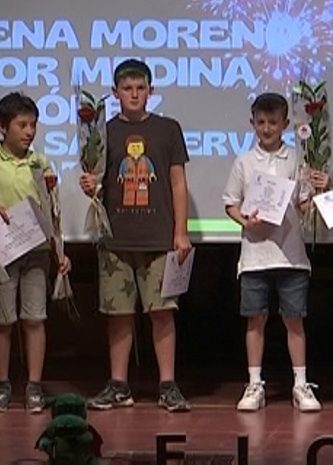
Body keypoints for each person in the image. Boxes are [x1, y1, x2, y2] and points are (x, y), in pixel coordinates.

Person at [78, 58, 192, 412]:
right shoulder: (102, 133)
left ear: (150, 91)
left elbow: (177, 182)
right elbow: (97, 182)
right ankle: (119, 385)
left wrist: (181, 232)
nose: (134, 94)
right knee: (118, 314)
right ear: (115, 92)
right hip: (116, 238)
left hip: (159, 238)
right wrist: (90, 185)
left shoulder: (168, 129)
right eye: (127, 88)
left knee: (162, 312)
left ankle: (167, 385)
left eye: (140, 88)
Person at [222, 92, 330, 412]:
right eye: (261, 122)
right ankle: (255, 383)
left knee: (294, 319)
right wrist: (246, 221)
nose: (267, 128)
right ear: (252, 123)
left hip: (291, 255)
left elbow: (304, 203)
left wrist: (320, 192)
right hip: (255, 255)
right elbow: (230, 203)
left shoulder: (297, 159)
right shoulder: (243, 162)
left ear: (285, 124)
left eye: (273, 122)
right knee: (255, 320)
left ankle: (300, 384)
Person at [0, 92, 72, 414]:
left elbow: (52, 210)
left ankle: (34, 386)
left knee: (35, 318)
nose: (29, 131)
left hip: (37, 250)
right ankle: (2, 385)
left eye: (33, 125)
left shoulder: (40, 163)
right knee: (3, 320)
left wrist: (60, 251)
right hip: (2, 250)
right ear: (2, 126)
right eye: (22, 125)